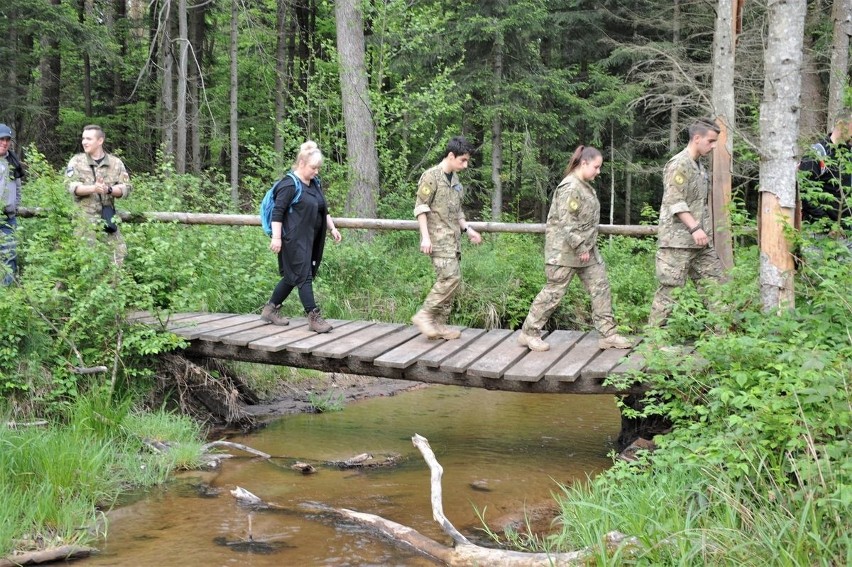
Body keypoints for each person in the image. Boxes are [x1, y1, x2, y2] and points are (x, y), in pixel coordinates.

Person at [517, 146, 632, 352]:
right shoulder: (570, 187)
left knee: (601, 287)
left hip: (587, 250)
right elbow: (567, 222)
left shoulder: (583, 185)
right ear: (584, 163)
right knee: (554, 292)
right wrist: (580, 246)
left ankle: (609, 334)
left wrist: (584, 246)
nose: (598, 171)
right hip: (564, 251)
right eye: (596, 167)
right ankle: (529, 333)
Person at [647, 118, 724, 327]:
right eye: (711, 141)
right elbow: (675, 200)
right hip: (678, 241)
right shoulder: (679, 164)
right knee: (670, 290)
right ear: (696, 138)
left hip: (700, 242)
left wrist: (701, 231)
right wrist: (695, 227)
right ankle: (654, 342)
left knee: (715, 285)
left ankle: (723, 338)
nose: (714, 145)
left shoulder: (699, 166)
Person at [260, 141, 342, 333]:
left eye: (318, 168)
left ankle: (270, 310)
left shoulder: (315, 183)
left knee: (291, 277)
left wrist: (332, 228)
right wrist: (277, 238)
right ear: (302, 163)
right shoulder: (289, 184)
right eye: (314, 167)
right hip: (293, 240)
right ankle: (313, 317)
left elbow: (323, 209)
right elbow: (277, 213)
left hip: (311, 239)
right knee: (304, 276)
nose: (316, 171)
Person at [410, 136, 482, 340]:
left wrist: (469, 229)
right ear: (451, 156)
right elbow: (420, 208)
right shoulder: (431, 177)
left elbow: (457, 212)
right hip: (437, 239)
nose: (465, 165)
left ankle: (439, 324)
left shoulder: (456, 181)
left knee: (451, 281)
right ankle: (425, 315)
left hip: (454, 240)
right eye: (463, 160)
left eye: (467, 161)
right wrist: (425, 237)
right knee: (451, 277)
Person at [64, 124, 132, 265]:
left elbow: (126, 188)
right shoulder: (76, 161)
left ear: (100, 141)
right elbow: (71, 187)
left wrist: (109, 190)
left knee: (118, 258)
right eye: (83, 138)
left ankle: (113, 286)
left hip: (108, 220)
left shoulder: (116, 163)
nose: (84, 142)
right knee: (85, 263)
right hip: (84, 222)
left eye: (89, 139)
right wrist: (93, 188)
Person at [798, 114, 851, 231]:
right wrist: (828, 224)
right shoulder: (818, 152)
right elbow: (806, 192)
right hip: (820, 233)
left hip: (848, 232)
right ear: (842, 125)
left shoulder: (848, 156)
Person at [0, 124, 25, 286]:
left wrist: (15, 207)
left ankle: (6, 291)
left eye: (7, 139)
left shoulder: (12, 160)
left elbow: (18, 188)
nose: (4, 142)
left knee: (9, 254)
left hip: (8, 218)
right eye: (1, 139)